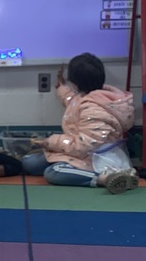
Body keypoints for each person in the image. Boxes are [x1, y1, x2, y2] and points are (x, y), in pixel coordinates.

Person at [22, 53, 137, 193]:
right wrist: (62, 88)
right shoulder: (89, 98)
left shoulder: (94, 109)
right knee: (29, 162)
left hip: (96, 158)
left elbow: (83, 145)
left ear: (75, 83)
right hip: (79, 153)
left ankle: (105, 178)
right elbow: (73, 103)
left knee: (53, 172)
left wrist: (50, 142)